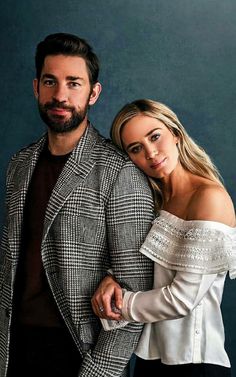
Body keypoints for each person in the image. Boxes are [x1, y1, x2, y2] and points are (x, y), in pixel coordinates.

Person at [0, 34, 155, 377]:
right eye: (51, 82)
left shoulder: (119, 173)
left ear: (93, 93)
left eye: (74, 83)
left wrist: (97, 371)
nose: (60, 95)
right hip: (13, 349)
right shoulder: (19, 165)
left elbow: (135, 291)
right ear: (36, 87)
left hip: (77, 352)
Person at [92, 99, 236, 377]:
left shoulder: (209, 198)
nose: (151, 152)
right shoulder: (153, 200)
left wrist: (119, 304)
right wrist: (111, 276)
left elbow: (183, 299)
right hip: (149, 359)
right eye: (136, 148)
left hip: (195, 364)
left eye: (155, 136)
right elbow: (141, 262)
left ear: (176, 134)